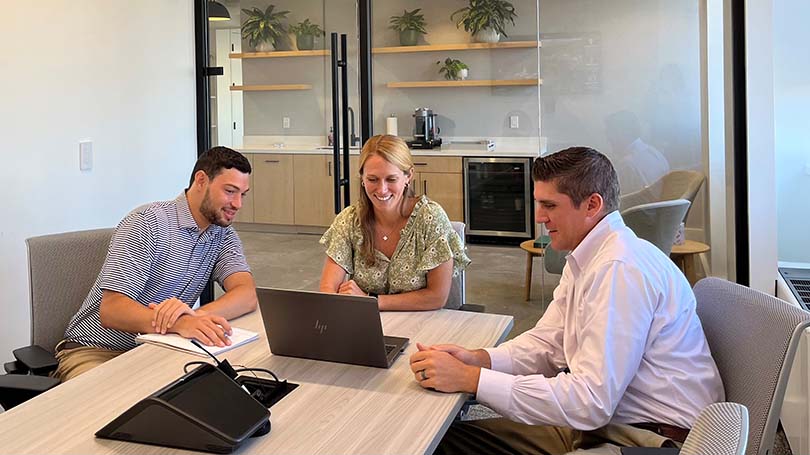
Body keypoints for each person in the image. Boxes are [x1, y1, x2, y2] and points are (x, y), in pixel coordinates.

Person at [410, 147, 724, 454]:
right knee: (445, 441)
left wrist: (471, 379)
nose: (539, 217)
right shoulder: (588, 257)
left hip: (651, 438)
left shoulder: (620, 269)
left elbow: (591, 402)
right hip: (609, 424)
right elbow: (548, 344)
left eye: (549, 205)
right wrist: (479, 360)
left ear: (592, 205)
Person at [55, 146, 258, 382]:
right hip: (97, 350)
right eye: (230, 191)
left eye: (243, 194)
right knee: (114, 413)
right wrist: (180, 322)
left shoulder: (222, 235)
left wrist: (193, 317)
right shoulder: (147, 223)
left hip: (163, 348)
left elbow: (247, 294)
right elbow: (112, 311)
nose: (238, 204)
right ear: (201, 180)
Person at [319, 134, 470, 311]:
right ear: (362, 178)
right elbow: (327, 289)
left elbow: (436, 297)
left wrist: (371, 300)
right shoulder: (349, 221)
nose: (382, 189)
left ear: (408, 176)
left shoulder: (431, 219)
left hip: (425, 325)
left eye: (391, 179)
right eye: (372, 179)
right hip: (367, 326)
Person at [605, 110, 670, 195]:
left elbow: (620, 201)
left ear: (623, 133)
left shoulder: (626, 165)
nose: (608, 138)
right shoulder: (656, 154)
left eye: (610, 133)